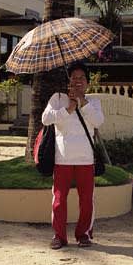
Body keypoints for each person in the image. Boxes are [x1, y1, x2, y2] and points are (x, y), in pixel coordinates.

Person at [42, 62, 104, 250]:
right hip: (63, 159)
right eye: (74, 78)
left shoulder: (93, 102)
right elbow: (45, 119)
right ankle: (59, 236)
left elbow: (98, 121)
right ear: (68, 81)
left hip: (85, 159)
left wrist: (82, 103)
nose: (78, 81)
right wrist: (67, 109)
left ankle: (84, 234)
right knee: (59, 200)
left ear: (87, 82)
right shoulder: (57, 98)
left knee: (87, 200)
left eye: (81, 78)